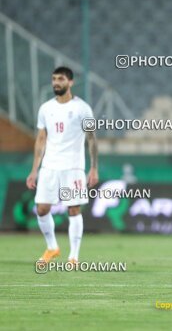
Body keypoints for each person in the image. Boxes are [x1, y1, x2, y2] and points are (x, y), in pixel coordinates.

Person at [26, 66, 98, 265]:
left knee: (73, 209)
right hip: (49, 167)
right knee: (41, 209)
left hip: (73, 167)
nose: (56, 82)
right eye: (54, 79)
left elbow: (92, 139)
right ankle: (52, 247)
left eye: (60, 79)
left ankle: (73, 256)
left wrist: (93, 167)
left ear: (70, 82)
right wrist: (34, 170)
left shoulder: (82, 108)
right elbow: (41, 140)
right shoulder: (46, 108)